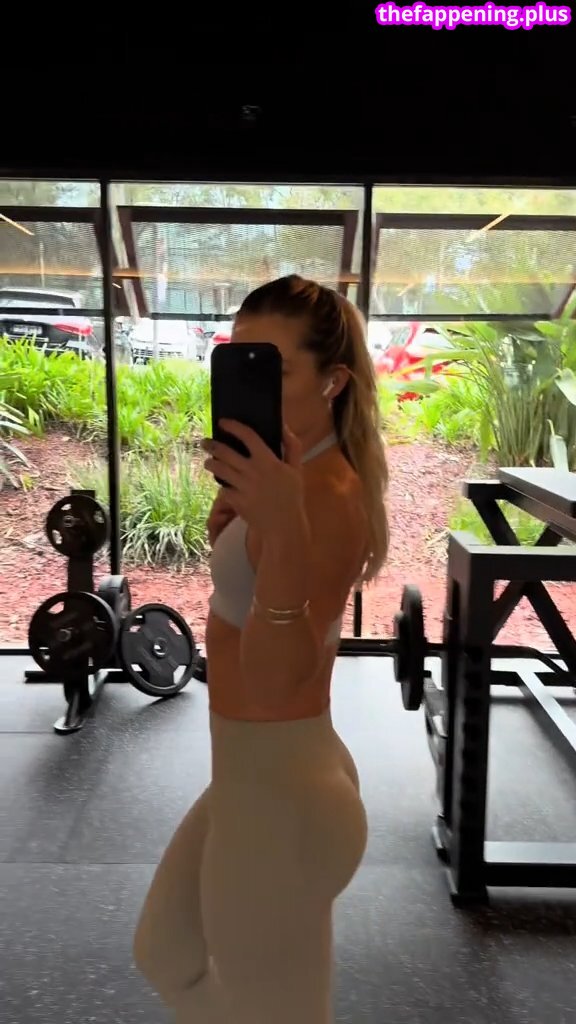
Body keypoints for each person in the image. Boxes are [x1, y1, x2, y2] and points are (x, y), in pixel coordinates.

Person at [133, 274, 390, 1024]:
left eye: (273, 369)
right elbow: (245, 605)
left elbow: (279, 680)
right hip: (257, 773)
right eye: (239, 362)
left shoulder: (323, 497)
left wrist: (278, 533)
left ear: (333, 382)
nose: (248, 385)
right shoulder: (291, 476)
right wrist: (240, 533)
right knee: (167, 953)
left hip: (281, 792)